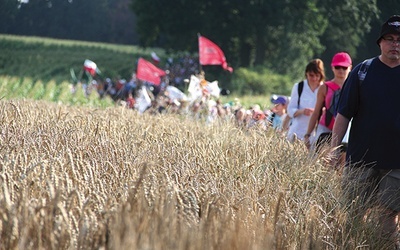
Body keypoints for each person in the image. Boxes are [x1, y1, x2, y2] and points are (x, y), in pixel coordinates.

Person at [331, 15, 400, 247]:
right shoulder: (362, 72)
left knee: (387, 215)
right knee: (351, 213)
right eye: (389, 39)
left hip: (396, 162)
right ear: (380, 42)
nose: (395, 44)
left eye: (399, 40)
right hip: (360, 159)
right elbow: (343, 114)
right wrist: (334, 148)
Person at [304, 52, 352, 152]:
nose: (341, 70)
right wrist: (308, 134)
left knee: (342, 163)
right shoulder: (324, 87)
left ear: (350, 68)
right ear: (332, 67)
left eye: (344, 67)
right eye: (338, 67)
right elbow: (316, 112)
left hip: (346, 129)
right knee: (322, 161)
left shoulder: (353, 87)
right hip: (325, 128)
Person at [286, 59, 325, 142]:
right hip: (297, 131)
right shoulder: (299, 87)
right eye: (311, 75)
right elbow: (290, 110)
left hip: (316, 132)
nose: (314, 78)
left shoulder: (324, 88)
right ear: (306, 74)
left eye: (317, 75)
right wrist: (302, 111)